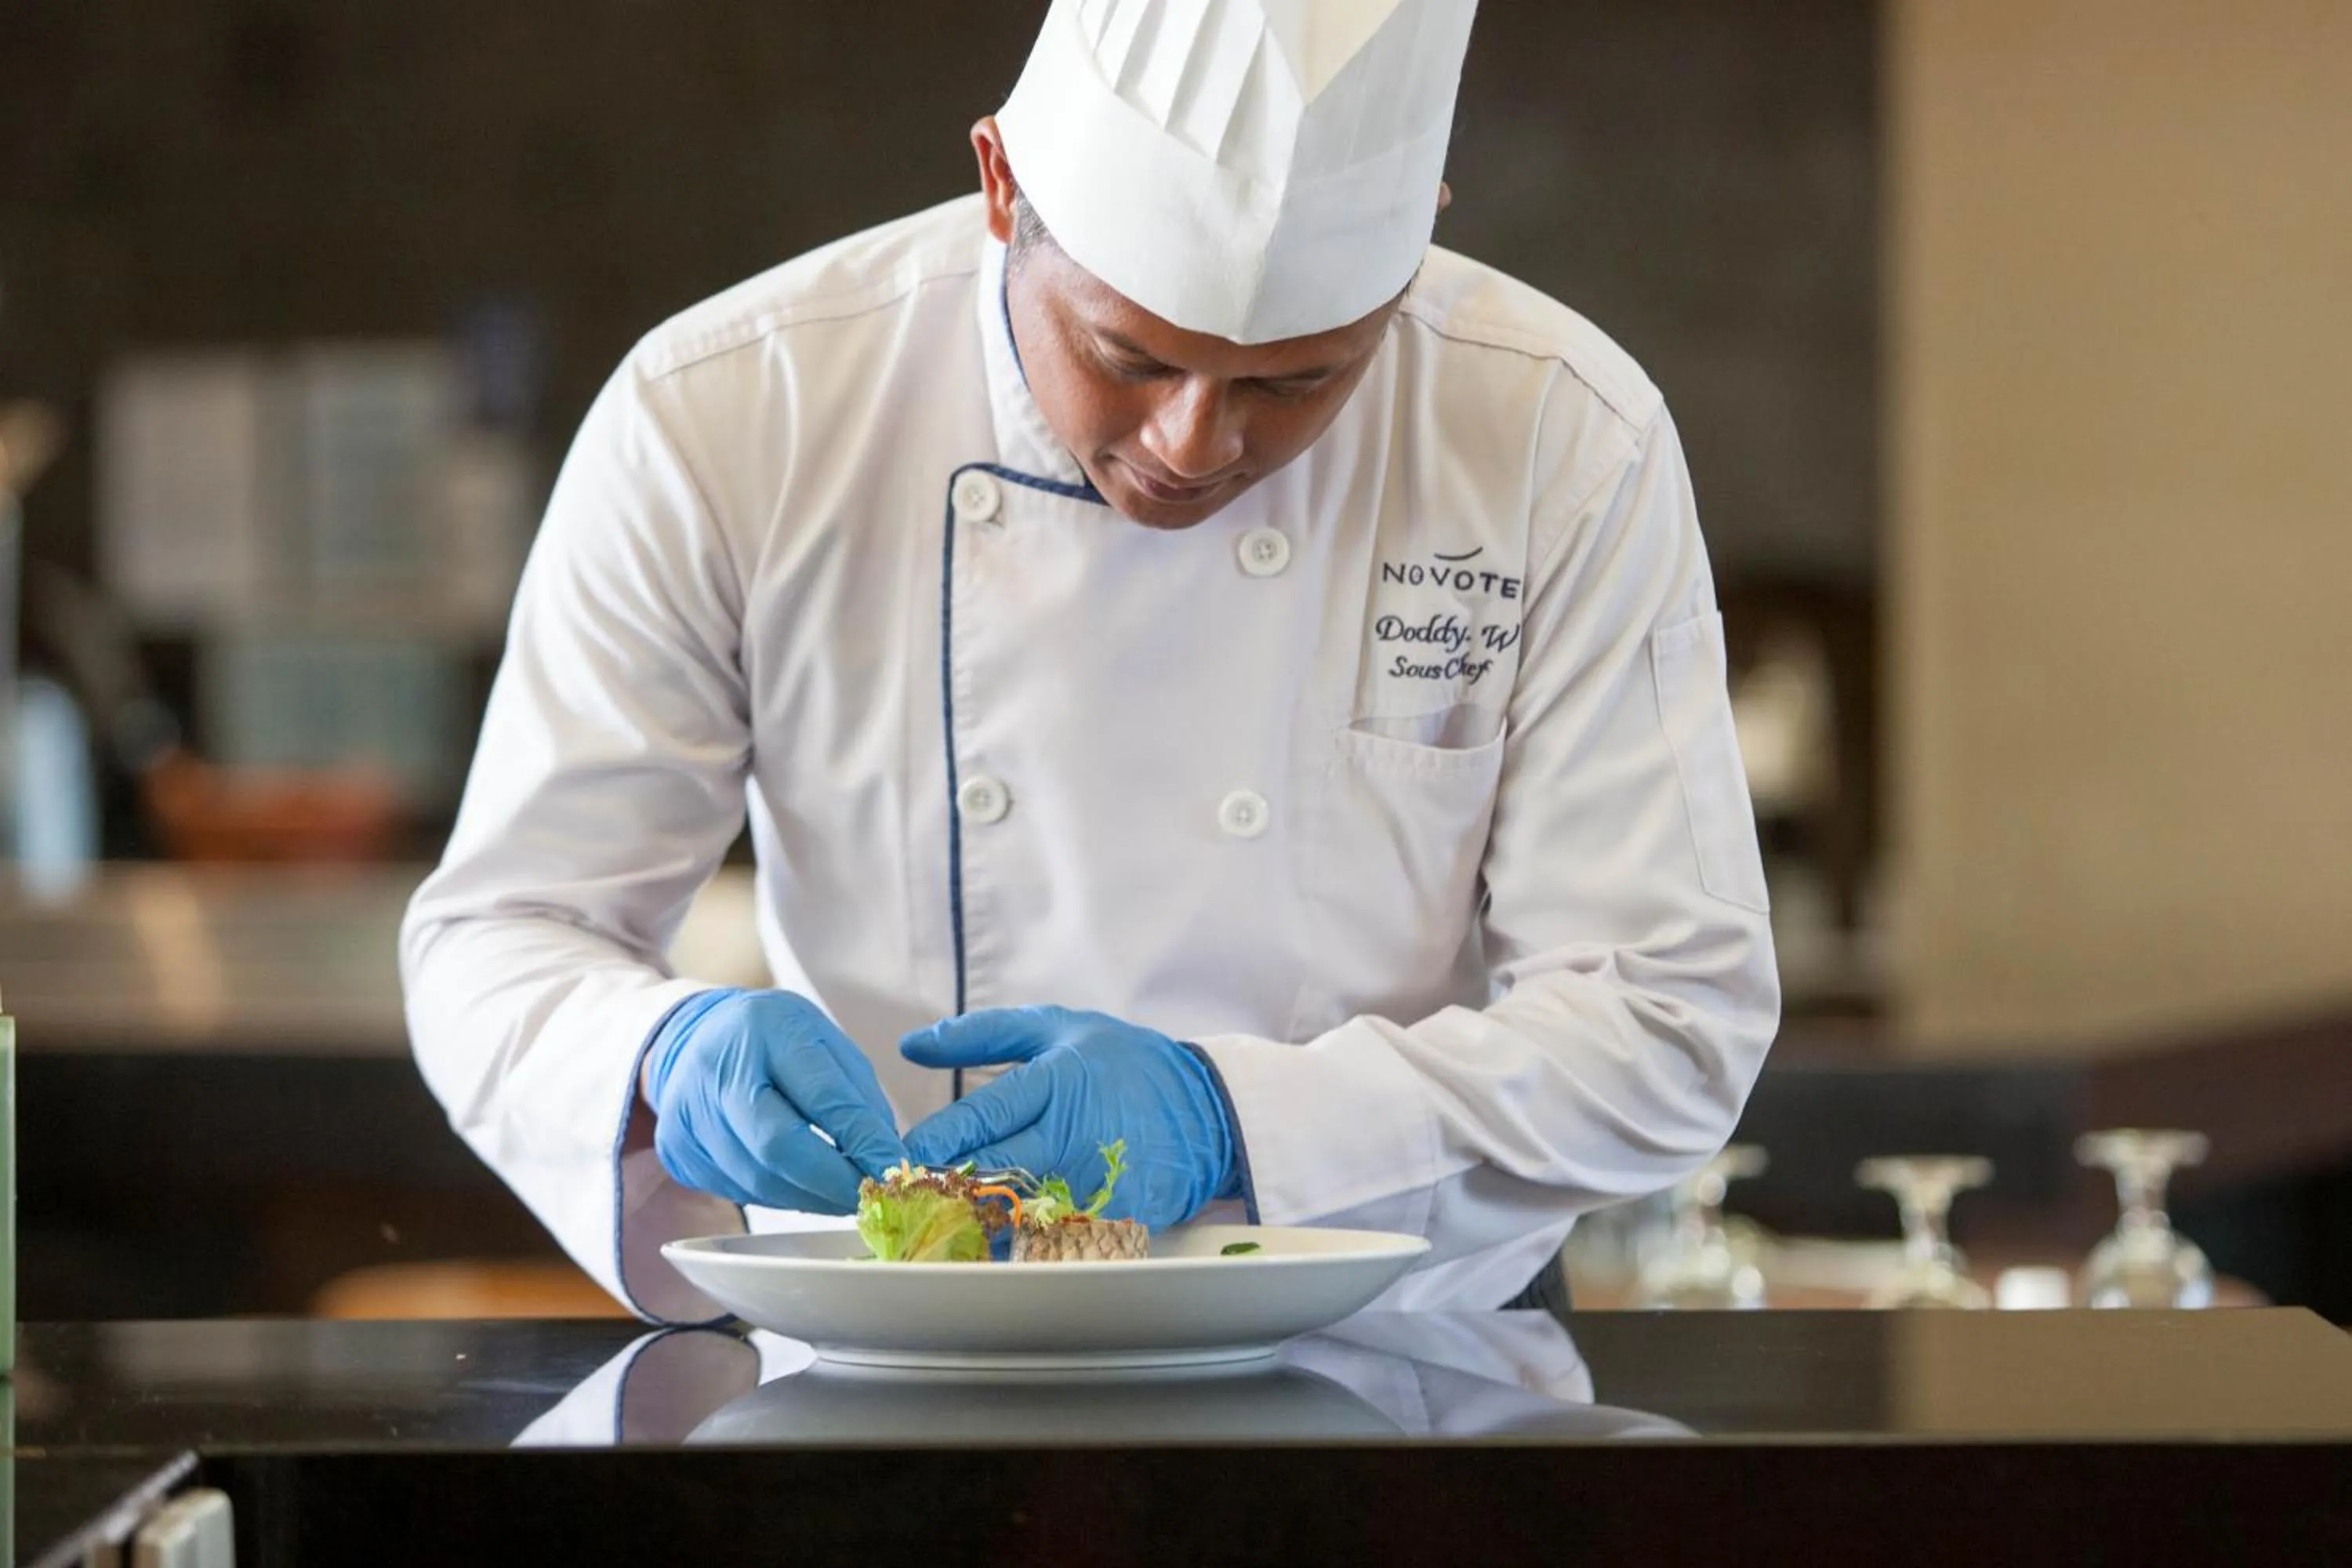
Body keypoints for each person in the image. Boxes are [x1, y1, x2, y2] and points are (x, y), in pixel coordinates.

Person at [401, 0, 1779, 1322]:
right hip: (896, 1353)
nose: (1193, 443)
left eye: (1294, 383)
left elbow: (1668, 1019)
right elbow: (501, 940)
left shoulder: (1560, 437)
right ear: (1001, 186)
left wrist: (1230, 1120)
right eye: (1126, 355)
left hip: (1402, 1354)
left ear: (1417, 245)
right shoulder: (731, 416)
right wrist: (657, 1058)